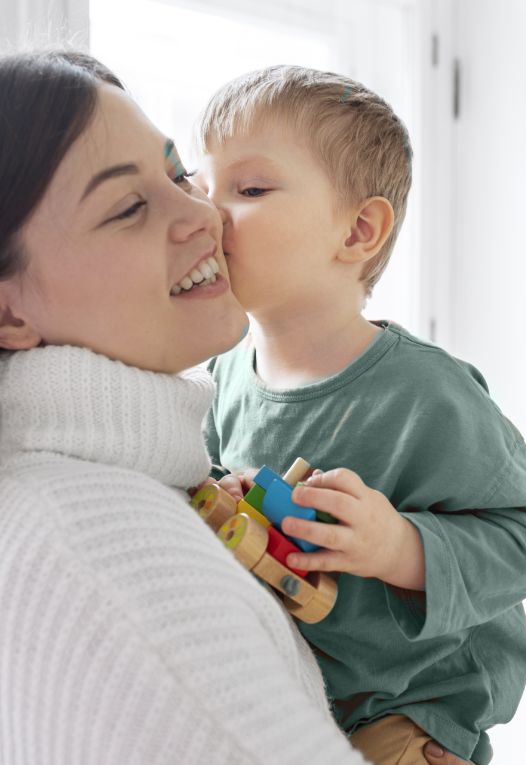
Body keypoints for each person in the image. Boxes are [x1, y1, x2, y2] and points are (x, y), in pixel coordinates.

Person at [0, 50, 375, 764]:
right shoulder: (115, 569)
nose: (203, 215)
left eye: (176, 175)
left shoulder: (98, 488)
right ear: (7, 310)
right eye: (129, 207)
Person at [197, 65, 526, 765]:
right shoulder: (218, 383)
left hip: (406, 718)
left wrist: (399, 545)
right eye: (200, 185)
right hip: (292, 704)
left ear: (359, 230)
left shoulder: (425, 392)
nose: (208, 213)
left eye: (248, 190)